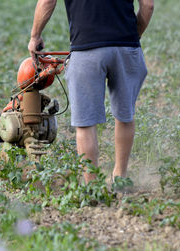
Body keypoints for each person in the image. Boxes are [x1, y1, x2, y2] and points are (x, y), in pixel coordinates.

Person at [28, 0, 154, 184]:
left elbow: (47, 1)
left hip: (86, 48)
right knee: (125, 117)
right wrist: (135, 35)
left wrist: (35, 36)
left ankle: (93, 187)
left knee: (86, 124)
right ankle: (120, 179)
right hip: (127, 47)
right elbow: (148, 5)